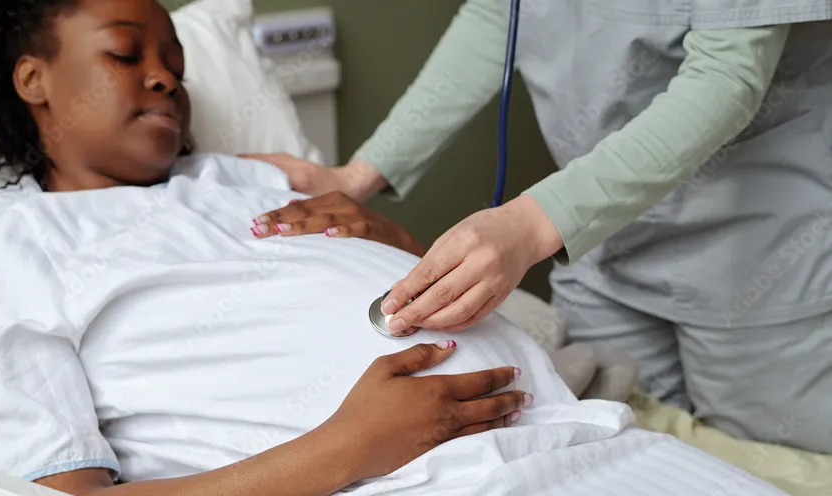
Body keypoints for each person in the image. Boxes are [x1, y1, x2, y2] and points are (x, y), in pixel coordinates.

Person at [0, 0, 832, 496]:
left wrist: (385, 231)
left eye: (173, 53)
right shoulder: (13, 244)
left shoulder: (248, 182)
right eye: (126, 54)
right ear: (33, 80)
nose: (167, 74)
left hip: (593, 451)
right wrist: (346, 447)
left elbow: (378, 296)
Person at [245, 0, 832, 455]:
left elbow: (726, 76)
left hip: (758, 251)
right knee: (625, 463)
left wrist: (532, 223)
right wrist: (357, 176)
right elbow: (497, 17)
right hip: (600, 244)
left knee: (784, 484)